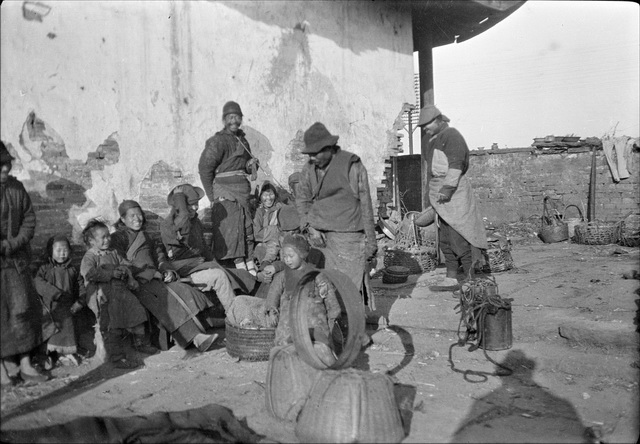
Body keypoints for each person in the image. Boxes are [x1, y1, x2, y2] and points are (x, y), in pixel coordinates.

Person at [296, 122, 377, 345]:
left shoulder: (353, 166)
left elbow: (366, 205)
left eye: (316, 153)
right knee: (324, 285)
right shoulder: (308, 169)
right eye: (309, 154)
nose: (312, 158)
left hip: (348, 234)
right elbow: (301, 199)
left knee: (350, 286)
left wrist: (371, 240)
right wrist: (309, 226)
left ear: (330, 147)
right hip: (318, 235)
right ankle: (331, 332)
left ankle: (357, 334)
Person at [110, 200, 220, 353]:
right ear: (122, 219)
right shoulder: (117, 238)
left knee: (183, 289)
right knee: (167, 301)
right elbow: (119, 261)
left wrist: (166, 271)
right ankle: (195, 338)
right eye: (131, 216)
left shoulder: (148, 237)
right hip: (135, 282)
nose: (137, 219)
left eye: (139, 215)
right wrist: (147, 273)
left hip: (156, 279)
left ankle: (206, 324)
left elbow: (160, 257)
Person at [416, 105, 488, 289]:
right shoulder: (430, 139)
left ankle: (470, 280)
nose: (425, 128)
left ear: (439, 120)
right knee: (445, 237)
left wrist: (447, 189)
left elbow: (456, 164)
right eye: (423, 126)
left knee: (460, 236)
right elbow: (431, 170)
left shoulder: (452, 136)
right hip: (439, 192)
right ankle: (451, 277)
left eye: (428, 124)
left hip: (455, 193)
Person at [160, 184, 255, 314]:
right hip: (183, 269)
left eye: (196, 203)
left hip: (199, 265)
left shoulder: (196, 222)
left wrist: (215, 263)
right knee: (219, 276)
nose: (195, 208)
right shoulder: (169, 225)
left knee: (240, 275)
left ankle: (244, 309)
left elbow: (203, 247)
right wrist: (180, 201)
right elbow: (184, 229)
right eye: (189, 205)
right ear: (180, 206)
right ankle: (237, 316)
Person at [1, 141, 49, 384]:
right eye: (0, 168)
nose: (5, 172)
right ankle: (3, 367)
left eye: (7, 167)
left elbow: (29, 222)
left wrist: (11, 245)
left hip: (15, 262)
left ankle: (25, 363)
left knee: (22, 311)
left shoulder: (17, 189)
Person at [80, 219, 152, 369]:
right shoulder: (90, 257)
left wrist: (128, 274)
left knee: (137, 311)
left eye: (108, 236)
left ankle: (140, 343)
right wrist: (111, 273)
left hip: (120, 291)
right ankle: (116, 356)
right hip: (102, 294)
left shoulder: (113, 252)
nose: (107, 239)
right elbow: (89, 273)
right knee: (112, 324)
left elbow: (126, 264)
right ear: (92, 241)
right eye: (103, 237)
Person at [198, 101, 259, 275]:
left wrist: (251, 165)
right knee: (232, 228)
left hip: (242, 190)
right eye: (230, 117)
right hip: (225, 191)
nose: (234, 121)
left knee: (246, 225)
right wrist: (213, 196)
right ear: (224, 120)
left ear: (241, 119)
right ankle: (239, 265)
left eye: (237, 117)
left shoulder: (243, 140)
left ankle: (249, 260)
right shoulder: (217, 141)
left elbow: (243, 167)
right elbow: (205, 169)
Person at [34, 235, 86, 367]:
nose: (62, 253)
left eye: (65, 250)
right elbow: (38, 282)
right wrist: (54, 293)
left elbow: (81, 287)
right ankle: (46, 355)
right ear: (50, 251)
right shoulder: (44, 268)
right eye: (58, 250)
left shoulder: (72, 270)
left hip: (67, 308)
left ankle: (64, 353)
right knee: (48, 331)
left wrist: (80, 302)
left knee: (66, 329)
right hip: (49, 307)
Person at [252, 181, 283, 267]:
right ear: (260, 197)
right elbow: (257, 234)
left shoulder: (280, 208)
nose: (268, 198)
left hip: (278, 242)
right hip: (263, 244)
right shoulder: (258, 212)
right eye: (265, 195)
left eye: (271, 194)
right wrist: (276, 229)